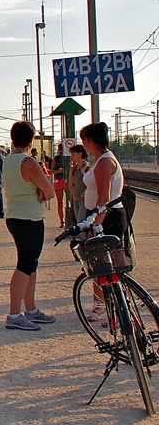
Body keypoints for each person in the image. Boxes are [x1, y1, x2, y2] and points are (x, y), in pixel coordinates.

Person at [2, 121, 56, 331]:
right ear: (31, 140)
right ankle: (14, 314)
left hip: (15, 216)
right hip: (30, 219)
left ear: (12, 137)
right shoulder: (29, 162)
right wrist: (41, 190)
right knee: (25, 265)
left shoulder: (8, 160)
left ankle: (31, 309)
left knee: (30, 264)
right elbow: (50, 192)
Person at [79, 122, 127, 323]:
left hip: (108, 217)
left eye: (83, 139)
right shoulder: (99, 160)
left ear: (89, 140)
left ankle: (116, 309)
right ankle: (103, 305)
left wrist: (95, 225)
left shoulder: (105, 162)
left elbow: (104, 198)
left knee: (110, 265)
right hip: (100, 214)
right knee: (98, 263)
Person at [66, 145, 89, 228]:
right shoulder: (75, 168)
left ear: (80, 154)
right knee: (77, 221)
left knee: (81, 222)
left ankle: (82, 238)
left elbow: (90, 184)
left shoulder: (87, 168)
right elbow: (71, 184)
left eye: (73, 154)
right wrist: (71, 171)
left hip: (84, 200)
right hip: (75, 198)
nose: (72, 156)